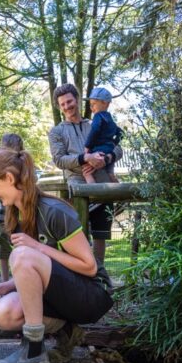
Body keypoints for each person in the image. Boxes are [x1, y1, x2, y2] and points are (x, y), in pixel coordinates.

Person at [0, 149, 113, 363]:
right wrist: (4, 287)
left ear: (10, 179)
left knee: (22, 254)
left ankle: (33, 352)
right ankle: (67, 330)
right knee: (3, 313)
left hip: (92, 294)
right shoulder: (15, 216)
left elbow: (89, 267)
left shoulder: (53, 211)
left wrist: (37, 247)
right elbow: (32, 271)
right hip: (62, 295)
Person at [47, 83, 123, 265]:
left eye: (70, 101)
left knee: (100, 234)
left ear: (77, 101)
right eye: (63, 104)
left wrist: (106, 159)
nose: (67, 106)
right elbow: (59, 160)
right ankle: (82, 277)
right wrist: (85, 158)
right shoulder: (56, 132)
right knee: (77, 234)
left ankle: (100, 275)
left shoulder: (96, 122)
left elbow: (118, 148)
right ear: (59, 107)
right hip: (77, 189)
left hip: (101, 185)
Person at [0, 133, 25, 282]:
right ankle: (5, 282)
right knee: (3, 249)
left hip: (21, 216)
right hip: (4, 216)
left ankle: (19, 281)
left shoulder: (24, 165)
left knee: (22, 248)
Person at [82, 87, 121, 185]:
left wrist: (87, 146)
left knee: (86, 171)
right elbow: (120, 133)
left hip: (98, 150)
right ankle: (111, 175)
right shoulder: (110, 119)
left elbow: (94, 130)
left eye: (93, 104)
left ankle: (94, 189)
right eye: (90, 105)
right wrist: (113, 144)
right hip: (109, 149)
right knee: (110, 171)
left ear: (104, 103)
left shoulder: (98, 116)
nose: (91, 108)